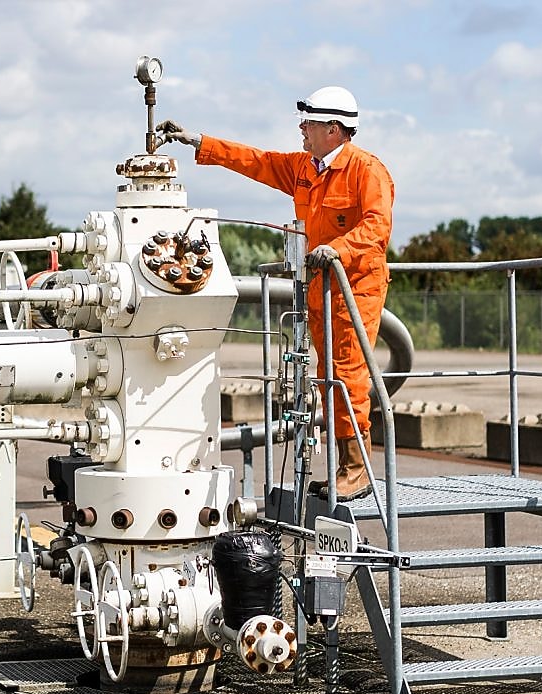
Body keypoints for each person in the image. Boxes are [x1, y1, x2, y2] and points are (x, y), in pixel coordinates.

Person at [158, 86, 394, 501]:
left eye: (310, 123)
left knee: (349, 376)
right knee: (326, 378)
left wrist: (335, 250)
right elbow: (258, 162)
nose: (302, 128)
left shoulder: (366, 171)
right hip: (321, 287)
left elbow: (377, 227)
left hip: (355, 287)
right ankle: (346, 464)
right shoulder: (306, 168)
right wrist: (200, 141)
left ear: (334, 130)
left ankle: (357, 468)